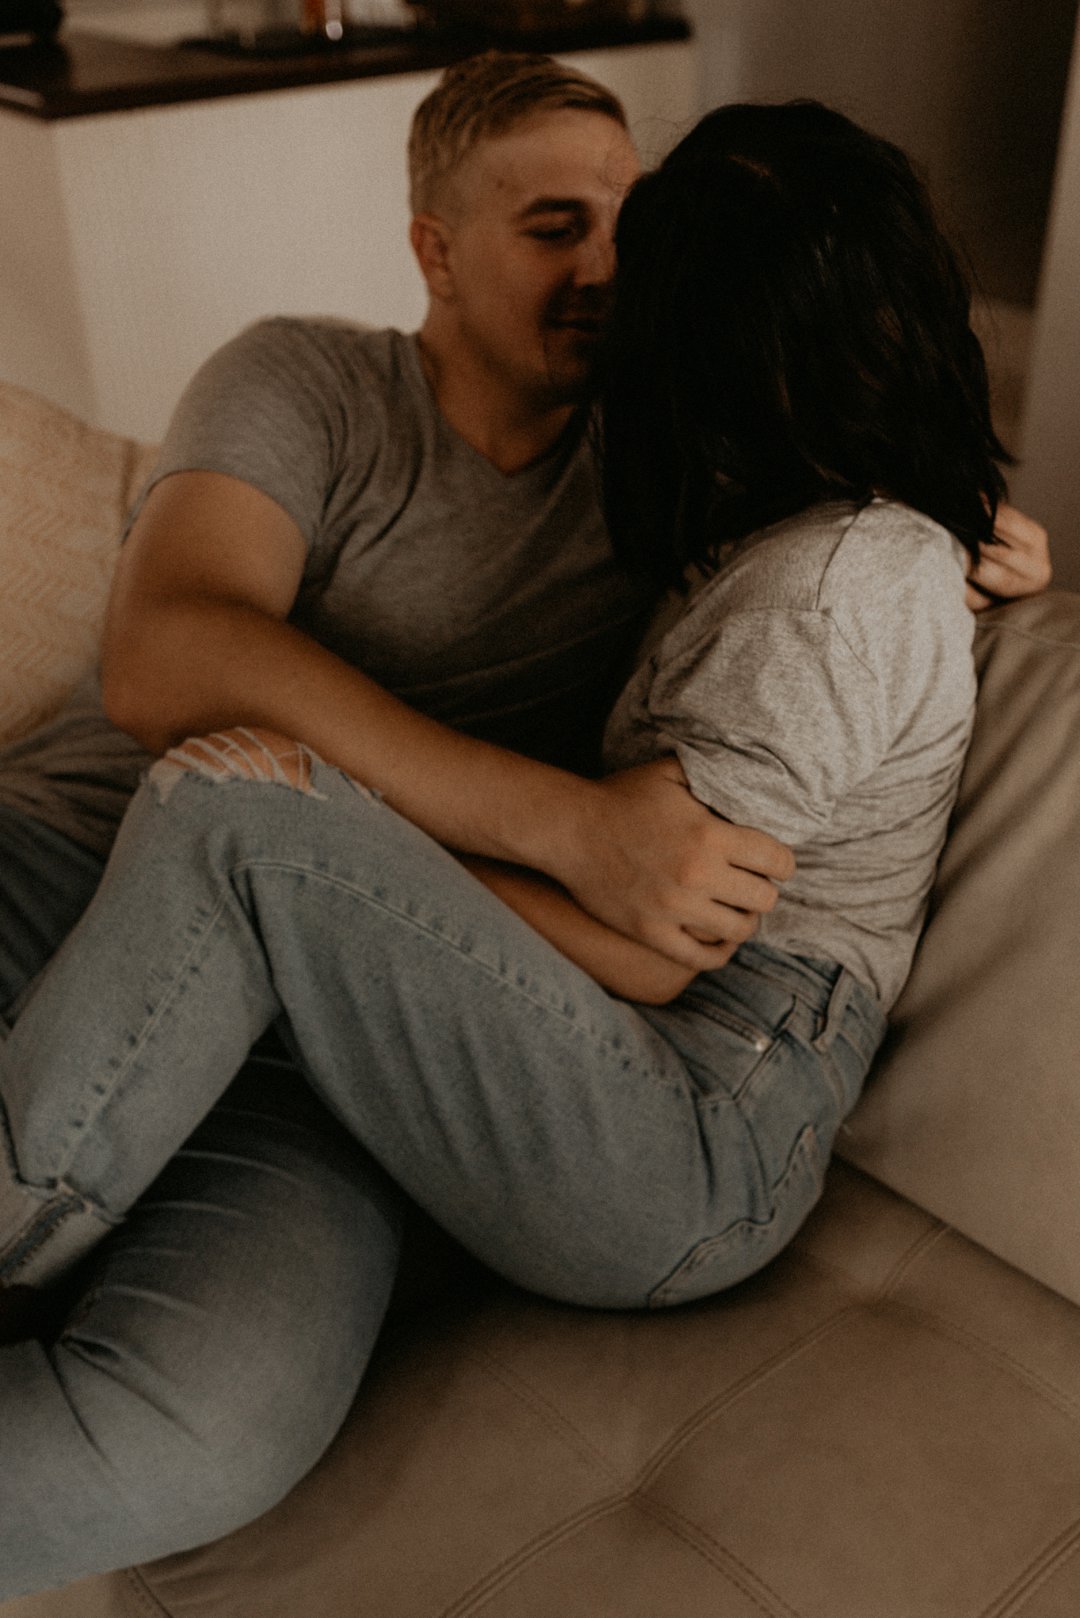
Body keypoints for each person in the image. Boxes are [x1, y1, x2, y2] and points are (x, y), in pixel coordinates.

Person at [0, 88, 1030, 1595]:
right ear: (436, 249)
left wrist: (959, 515)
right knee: (225, 813)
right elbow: (164, 661)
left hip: (397, 1030)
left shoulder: (700, 483)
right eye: (557, 227)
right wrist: (563, 826)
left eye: (630, 229)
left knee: (206, 1423)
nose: (604, 269)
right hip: (82, 867)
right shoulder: (311, 382)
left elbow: (828, 611)